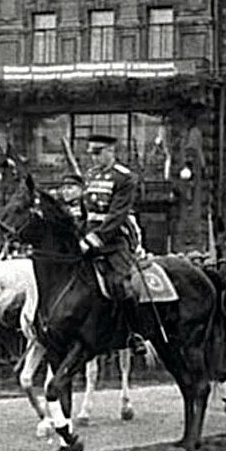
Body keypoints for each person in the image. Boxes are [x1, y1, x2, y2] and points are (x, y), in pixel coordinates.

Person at [80, 133, 143, 351]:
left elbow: (117, 215)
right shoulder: (89, 176)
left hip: (114, 241)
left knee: (120, 284)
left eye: (98, 153)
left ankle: (134, 333)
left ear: (110, 151)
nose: (94, 158)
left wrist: (95, 239)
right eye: (92, 154)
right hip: (87, 238)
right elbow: (84, 212)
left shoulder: (125, 178)